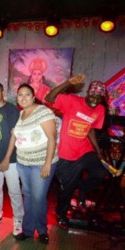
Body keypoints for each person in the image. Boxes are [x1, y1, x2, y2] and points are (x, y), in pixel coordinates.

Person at [45, 74, 107, 230]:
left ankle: (80, 190)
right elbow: (50, 97)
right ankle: (61, 214)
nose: (95, 99)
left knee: (100, 173)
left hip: (85, 151)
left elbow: (91, 129)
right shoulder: (73, 101)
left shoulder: (100, 109)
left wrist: (97, 151)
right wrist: (68, 83)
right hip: (66, 155)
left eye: (99, 97)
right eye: (93, 95)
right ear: (87, 93)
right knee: (66, 190)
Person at [2, 84, 58, 244]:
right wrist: (7, 157)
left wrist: (47, 163)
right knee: (27, 195)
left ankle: (41, 230)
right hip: (23, 162)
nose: (23, 98)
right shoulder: (21, 115)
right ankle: (27, 229)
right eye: (20, 95)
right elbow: (15, 136)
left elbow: (52, 138)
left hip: (41, 162)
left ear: (33, 97)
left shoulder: (43, 112)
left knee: (38, 197)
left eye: (27, 94)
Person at [0, 82, 24, 236]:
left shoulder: (11, 110)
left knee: (14, 191)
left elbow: (15, 135)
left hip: (10, 159)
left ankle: (18, 219)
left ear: (2, 93)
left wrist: (7, 158)